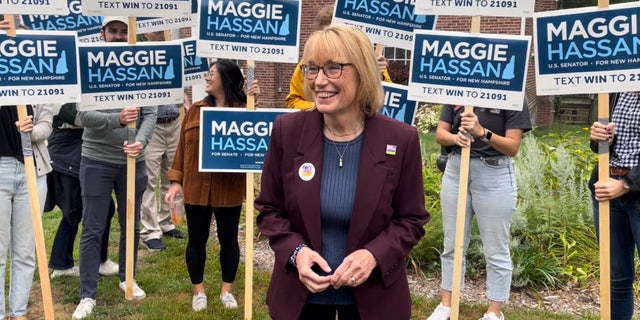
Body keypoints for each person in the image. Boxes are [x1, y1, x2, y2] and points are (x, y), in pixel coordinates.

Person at [254, 25, 429, 320]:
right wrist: (296, 253)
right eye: (312, 69)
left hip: (374, 302)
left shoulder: (401, 139)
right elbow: (270, 210)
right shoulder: (287, 131)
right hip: (301, 301)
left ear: (362, 71)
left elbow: (411, 219)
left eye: (333, 68)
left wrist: (374, 255)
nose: (319, 81)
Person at [72, 16, 157, 320]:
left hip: (133, 160)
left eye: (124, 31)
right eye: (114, 31)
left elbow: (150, 112)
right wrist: (116, 120)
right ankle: (87, 294)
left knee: (131, 225)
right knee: (93, 228)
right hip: (96, 159)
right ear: (103, 33)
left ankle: (127, 279)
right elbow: (81, 115)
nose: (120, 36)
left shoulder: (143, 67)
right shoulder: (90, 66)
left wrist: (142, 142)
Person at [165, 60, 260, 312]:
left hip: (228, 188)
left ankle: (226, 291)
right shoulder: (195, 110)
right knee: (197, 240)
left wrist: (254, 102)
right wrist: (176, 181)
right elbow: (181, 149)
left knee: (229, 239)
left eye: (212, 74)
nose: (207, 78)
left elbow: (256, 136)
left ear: (226, 79)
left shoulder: (244, 109)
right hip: (196, 188)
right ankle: (199, 292)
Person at [428, 99, 532, 320]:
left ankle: (494, 311)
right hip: (456, 170)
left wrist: (483, 132)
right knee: (452, 243)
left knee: (495, 249)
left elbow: (513, 147)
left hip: (494, 173)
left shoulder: (511, 95)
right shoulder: (460, 91)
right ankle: (447, 304)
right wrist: (455, 138)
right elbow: (440, 134)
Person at [45, 103, 119, 278]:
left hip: (88, 146)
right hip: (66, 151)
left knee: (104, 207)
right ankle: (62, 264)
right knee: (73, 210)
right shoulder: (66, 89)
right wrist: (114, 117)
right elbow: (75, 115)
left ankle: (99, 260)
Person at [589, 92, 640, 320]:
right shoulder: (618, 85)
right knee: (616, 279)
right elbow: (600, 148)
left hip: (630, 188)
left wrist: (627, 184)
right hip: (607, 190)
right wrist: (601, 138)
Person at [0, 104, 52, 320]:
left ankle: (18, 312)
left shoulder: (34, 76)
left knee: (26, 250)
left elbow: (46, 126)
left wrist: (30, 131)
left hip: (32, 169)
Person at [285, 5, 391, 110]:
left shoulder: (368, 61)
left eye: (333, 68)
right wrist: (319, 107)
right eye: (328, 32)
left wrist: (377, 75)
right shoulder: (308, 64)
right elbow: (293, 100)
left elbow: (386, 99)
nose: (320, 81)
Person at [139, 30, 186, 252]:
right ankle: (150, 231)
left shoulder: (174, 54)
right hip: (152, 124)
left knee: (172, 174)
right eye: (153, 29)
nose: (157, 32)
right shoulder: (140, 56)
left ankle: (166, 223)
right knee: (148, 179)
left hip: (174, 120)